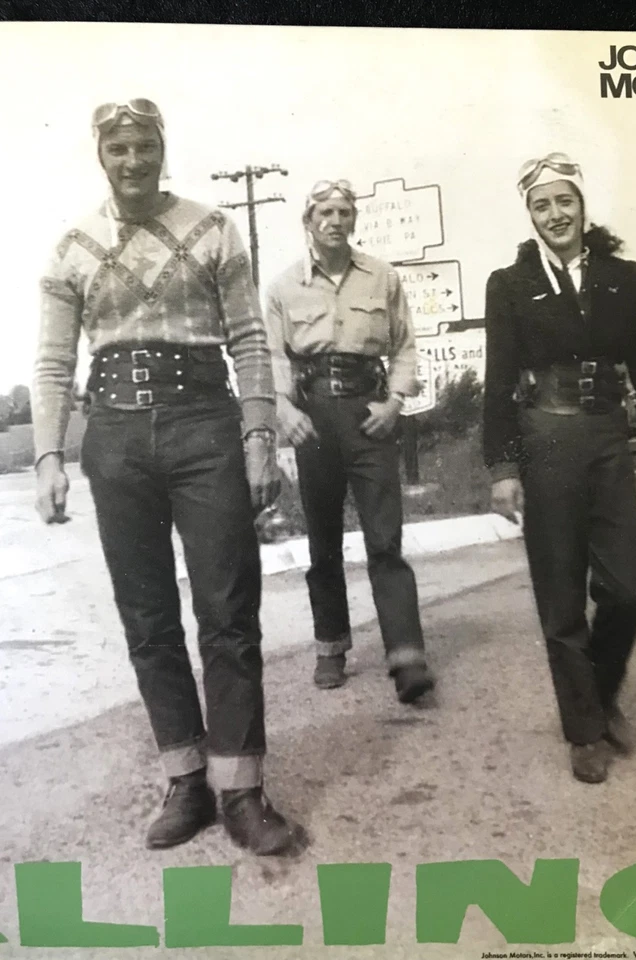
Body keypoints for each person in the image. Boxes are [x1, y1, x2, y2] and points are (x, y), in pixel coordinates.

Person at [32, 99, 304, 855]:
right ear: (101, 155)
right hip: (115, 436)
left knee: (226, 606)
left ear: (163, 148)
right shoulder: (71, 249)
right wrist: (49, 456)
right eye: (118, 148)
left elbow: (250, 338)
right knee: (147, 617)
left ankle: (242, 787)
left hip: (203, 424)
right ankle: (187, 780)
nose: (133, 161)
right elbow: (55, 364)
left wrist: (258, 436)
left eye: (145, 145)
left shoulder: (213, 228)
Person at [483, 152, 636, 783]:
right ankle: (584, 729)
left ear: (582, 203)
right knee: (559, 594)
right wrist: (502, 466)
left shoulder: (622, 277)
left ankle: (602, 693)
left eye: (565, 200)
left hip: (608, 437)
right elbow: (497, 385)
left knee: (627, 584)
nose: (556, 214)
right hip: (544, 438)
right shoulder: (509, 284)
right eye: (542, 204)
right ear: (531, 213)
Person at [264, 179, 435, 702]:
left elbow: (404, 345)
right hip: (313, 417)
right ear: (308, 222)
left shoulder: (381, 278)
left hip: (369, 414)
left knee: (385, 539)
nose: (335, 221)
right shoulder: (283, 286)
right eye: (325, 213)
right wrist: (284, 409)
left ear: (355, 220)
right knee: (323, 540)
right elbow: (272, 356)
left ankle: (406, 656)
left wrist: (394, 402)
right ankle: (331, 647)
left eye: (344, 211)